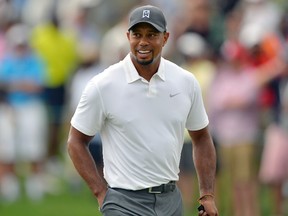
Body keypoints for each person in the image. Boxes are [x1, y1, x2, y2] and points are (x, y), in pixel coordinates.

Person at [67, 5, 218, 216]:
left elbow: (201, 137)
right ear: (128, 36)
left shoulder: (185, 82)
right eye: (137, 34)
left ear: (165, 38)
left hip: (171, 200)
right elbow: (75, 140)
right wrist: (100, 192)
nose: (143, 42)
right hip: (123, 202)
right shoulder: (103, 85)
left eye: (152, 35)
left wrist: (207, 195)